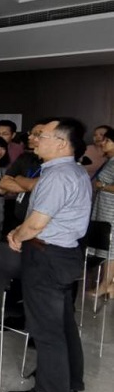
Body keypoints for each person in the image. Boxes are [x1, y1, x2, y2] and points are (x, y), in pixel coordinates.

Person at [6, 117, 91, 392]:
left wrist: (17, 236)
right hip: (63, 254)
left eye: (42, 135)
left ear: (62, 143)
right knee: (63, 322)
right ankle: (69, 380)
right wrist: (21, 232)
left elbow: (37, 224)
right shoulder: (74, 171)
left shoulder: (58, 176)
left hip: (47, 256)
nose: (35, 139)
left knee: (45, 327)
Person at [89, 127, 114, 298]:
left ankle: (106, 284)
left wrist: (103, 186)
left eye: (107, 140)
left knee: (111, 247)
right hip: (104, 208)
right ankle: (108, 285)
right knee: (105, 246)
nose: (103, 143)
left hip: (111, 211)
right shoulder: (110, 160)